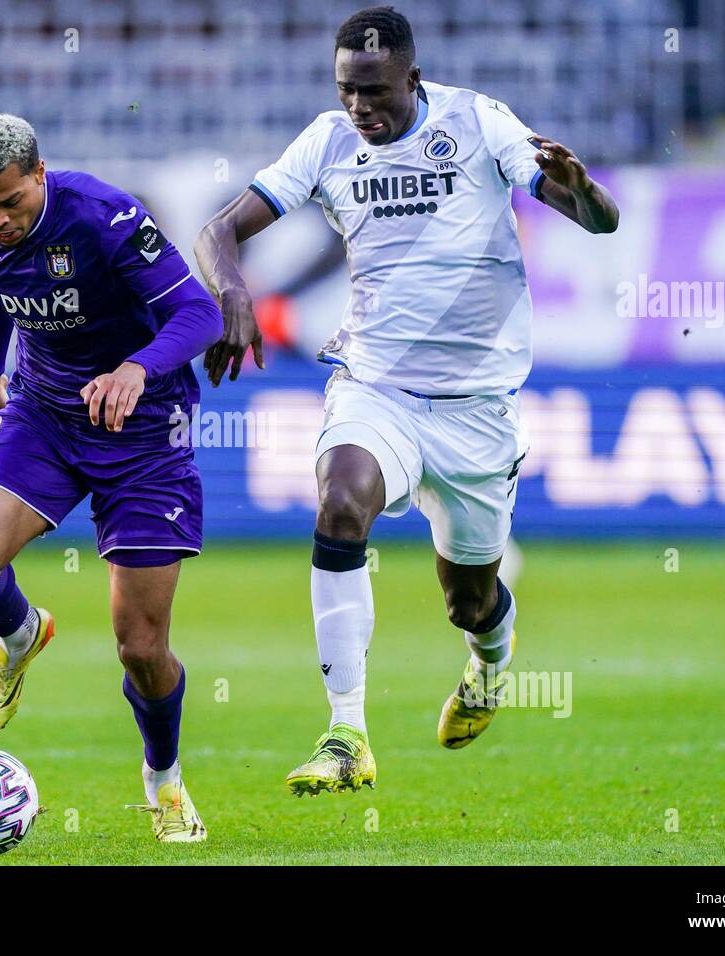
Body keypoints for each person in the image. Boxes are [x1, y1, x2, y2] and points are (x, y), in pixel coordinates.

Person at [195, 6, 618, 795]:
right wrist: (231, 293)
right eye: (348, 91)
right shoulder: (326, 143)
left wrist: (582, 190)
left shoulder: (476, 121)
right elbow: (218, 230)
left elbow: (599, 220)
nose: (362, 108)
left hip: (476, 410)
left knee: (469, 600)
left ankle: (490, 666)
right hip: (376, 388)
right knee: (341, 505)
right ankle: (347, 731)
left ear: (413, 80)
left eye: (377, 92)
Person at [0, 114, 223, 840]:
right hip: (44, 412)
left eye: (11, 203)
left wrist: (136, 368)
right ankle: (22, 632)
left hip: (144, 432)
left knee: (140, 647)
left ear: (40, 174)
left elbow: (199, 313)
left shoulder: (106, 218)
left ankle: (163, 779)